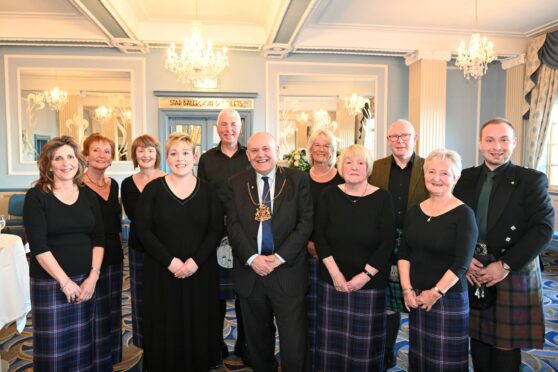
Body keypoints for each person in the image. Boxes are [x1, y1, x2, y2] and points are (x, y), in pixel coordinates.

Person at [453, 118, 554, 371]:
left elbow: (543, 229)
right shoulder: (464, 178)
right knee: (476, 336)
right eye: (489, 140)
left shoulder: (531, 180)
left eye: (504, 139)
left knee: (505, 344)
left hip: (513, 266)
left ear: (514, 143)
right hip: (473, 265)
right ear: (479, 143)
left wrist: (506, 265)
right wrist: (464, 261)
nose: (496, 146)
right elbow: (451, 221)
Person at [226, 132, 313, 372]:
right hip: (251, 273)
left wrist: (278, 258)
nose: (260, 155)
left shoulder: (298, 179)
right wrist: (253, 258)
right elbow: (232, 225)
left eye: (266, 149)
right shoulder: (236, 182)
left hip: (287, 270)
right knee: (257, 340)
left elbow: (305, 223)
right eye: (254, 151)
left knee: (294, 340)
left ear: (276, 150)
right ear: (247, 154)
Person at [136, 133, 223, 370]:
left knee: (200, 321)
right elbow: (143, 231)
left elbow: (216, 230)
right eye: (173, 153)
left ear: (195, 157)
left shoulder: (208, 191)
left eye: (185, 153)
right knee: (165, 321)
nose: (180, 158)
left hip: (201, 270)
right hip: (162, 271)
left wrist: (195, 261)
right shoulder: (153, 190)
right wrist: (171, 261)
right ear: (166, 158)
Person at [23, 136, 104, 370]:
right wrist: (65, 282)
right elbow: (38, 247)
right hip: (51, 282)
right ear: (49, 165)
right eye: (58, 158)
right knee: (54, 350)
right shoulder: (36, 197)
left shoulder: (88, 195)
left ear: (78, 162)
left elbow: (99, 238)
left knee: (82, 345)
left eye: (70, 157)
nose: (66, 162)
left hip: (86, 281)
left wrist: (93, 277)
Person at [314, 144, 394, 371]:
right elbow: (320, 237)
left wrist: (365, 276)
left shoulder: (383, 198)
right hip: (332, 282)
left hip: (369, 285)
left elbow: (387, 243)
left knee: (363, 345)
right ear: (340, 166)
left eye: (360, 162)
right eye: (348, 162)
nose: (354, 167)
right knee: (332, 342)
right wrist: (335, 273)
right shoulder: (329, 195)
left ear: (368, 168)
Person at [398, 149, 477, 371]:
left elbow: (462, 262)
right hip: (416, 296)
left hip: (447, 298)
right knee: (420, 358)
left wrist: (435, 292)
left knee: (445, 363)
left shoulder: (464, 214)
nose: (436, 178)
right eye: (431, 171)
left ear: (456, 178)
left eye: (444, 173)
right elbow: (404, 253)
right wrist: (407, 289)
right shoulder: (414, 211)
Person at [368, 119, 428, 369]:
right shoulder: (376, 167)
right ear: (388, 140)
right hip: (384, 241)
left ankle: (421, 355)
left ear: (415, 138)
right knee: (388, 303)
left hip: (420, 243)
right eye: (394, 137)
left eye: (405, 136)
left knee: (419, 297)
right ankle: (386, 351)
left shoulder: (428, 165)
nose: (400, 141)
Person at [197, 109, 252, 366]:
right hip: (215, 235)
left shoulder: (250, 155)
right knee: (213, 298)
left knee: (245, 295)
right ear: (217, 128)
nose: (229, 129)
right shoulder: (207, 159)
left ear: (240, 127)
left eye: (233, 124)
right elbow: (201, 195)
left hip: (246, 234)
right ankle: (215, 347)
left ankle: (245, 346)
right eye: (224, 125)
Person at [81, 133, 123, 370]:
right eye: (95, 150)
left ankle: (111, 353)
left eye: (106, 151)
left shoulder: (113, 184)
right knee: (92, 306)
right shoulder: (77, 185)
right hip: (87, 254)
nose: (101, 155)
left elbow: (115, 221)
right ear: (85, 156)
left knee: (112, 305)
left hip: (114, 252)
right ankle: (92, 357)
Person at [121, 134, 165, 350]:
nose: (145, 154)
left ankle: (166, 339)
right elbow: (134, 214)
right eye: (140, 150)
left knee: (164, 296)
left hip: (167, 250)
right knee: (140, 297)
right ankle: (143, 342)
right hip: (139, 249)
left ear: (156, 154)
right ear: (135, 155)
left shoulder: (169, 178)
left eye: (150, 150)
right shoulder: (127, 184)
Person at [305, 128, 343, 367]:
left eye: (326, 145)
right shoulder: (299, 178)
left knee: (331, 309)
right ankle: (309, 356)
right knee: (307, 307)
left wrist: (326, 248)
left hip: (337, 255)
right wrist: (309, 243)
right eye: (317, 145)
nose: (321, 149)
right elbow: (295, 216)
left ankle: (331, 355)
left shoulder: (344, 178)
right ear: (310, 149)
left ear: (333, 149)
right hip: (304, 252)